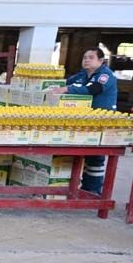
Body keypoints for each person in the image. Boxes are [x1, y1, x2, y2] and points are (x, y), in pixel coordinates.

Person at [48, 48, 119, 194]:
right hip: (84, 120)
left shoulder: (105, 75)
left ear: (101, 61)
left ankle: (92, 191)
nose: (86, 60)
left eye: (91, 57)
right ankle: (79, 188)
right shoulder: (83, 75)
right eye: (85, 57)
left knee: (95, 156)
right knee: (80, 154)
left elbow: (94, 89)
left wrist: (67, 89)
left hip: (101, 120)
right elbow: (65, 83)